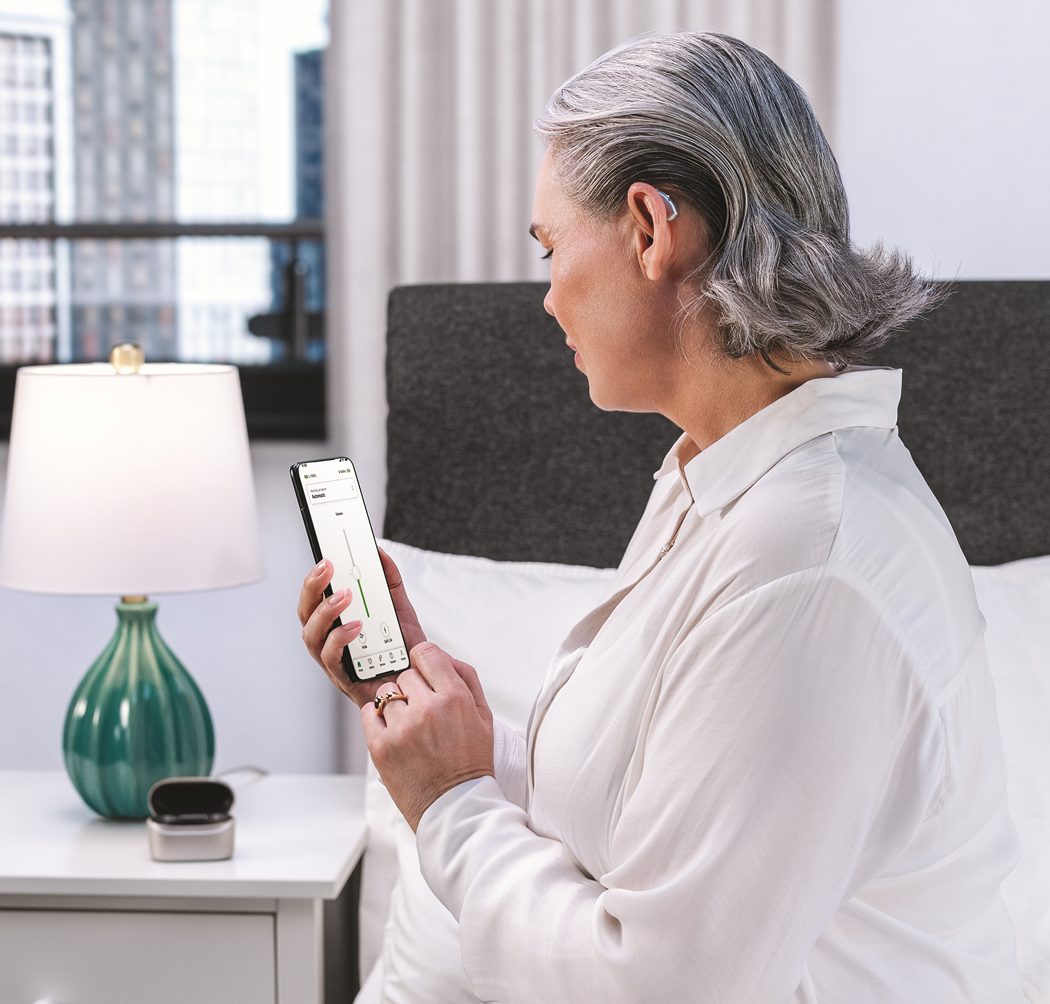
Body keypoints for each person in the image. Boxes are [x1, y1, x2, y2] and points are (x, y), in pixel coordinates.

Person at [297, 31, 1028, 1003]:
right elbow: (651, 802)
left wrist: (451, 803)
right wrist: (451, 726)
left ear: (650, 227)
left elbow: (661, 984)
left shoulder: (810, 558)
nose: (547, 294)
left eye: (552, 247)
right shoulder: (727, 480)